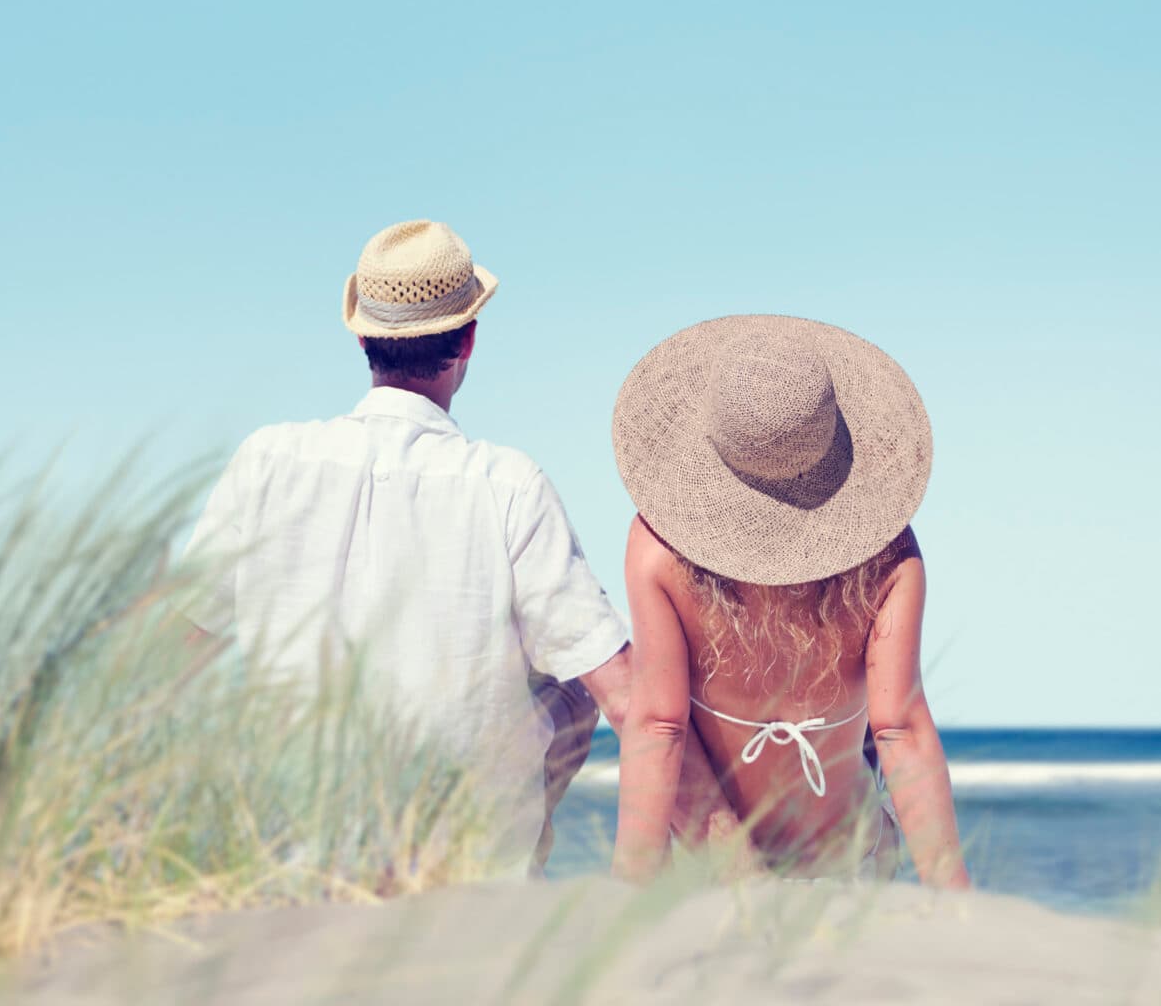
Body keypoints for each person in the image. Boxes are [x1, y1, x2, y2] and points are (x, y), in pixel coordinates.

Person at [181, 219, 726, 869]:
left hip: (293, 855)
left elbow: (168, 656)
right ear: (469, 338)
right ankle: (515, 851)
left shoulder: (266, 461)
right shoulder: (507, 484)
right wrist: (724, 845)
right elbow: (626, 696)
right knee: (570, 685)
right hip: (467, 865)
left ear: (361, 335)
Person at [609, 314, 969, 888]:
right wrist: (955, 899)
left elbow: (657, 726)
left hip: (720, 872)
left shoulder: (657, 552)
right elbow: (899, 729)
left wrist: (629, 891)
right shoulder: (889, 554)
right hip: (848, 857)